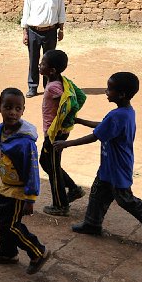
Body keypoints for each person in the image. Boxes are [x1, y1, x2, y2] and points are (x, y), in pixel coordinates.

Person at [54, 72, 142, 249]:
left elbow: (95, 136)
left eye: (110, 89)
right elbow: (103, 125)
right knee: (98, 193)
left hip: (117, 168)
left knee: (126, 200)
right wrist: (80, 120)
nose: (106, 91)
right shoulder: (125, 112)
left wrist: (67, 144)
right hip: (110, 165)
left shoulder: (117, 115)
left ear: (121, 94)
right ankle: (92, 223)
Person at [0, 87, 50, 275]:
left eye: (17, 108)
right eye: (8, 107)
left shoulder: (25, 142)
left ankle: (38, 251)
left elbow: (32, 170)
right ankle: (7, 254)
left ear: (23, 110)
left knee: (12, 225)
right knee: (4, 221)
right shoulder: (0, 129)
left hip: (19, 191)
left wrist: (30, 199)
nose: (12, 112)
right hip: (5, 187)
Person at [38, 50, 86, 216]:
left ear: (51, 70)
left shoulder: (53, 87)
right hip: (58, 132)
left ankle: (60, 205)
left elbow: (72, 101)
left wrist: (67, 119)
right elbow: (81, 96)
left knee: (52, 166)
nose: (39, 65)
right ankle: (73, 189)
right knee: (46, 162)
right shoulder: (61, 80)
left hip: (55, 134)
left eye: (43, 63)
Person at [21, 0, 66, 98]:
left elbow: (61, 11)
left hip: (51, 31)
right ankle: (32, 87)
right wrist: (25, 33)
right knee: (33, 60)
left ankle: (49, 87)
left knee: (50, 61)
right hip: (33, 31)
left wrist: (61, 29)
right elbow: (26, 13)